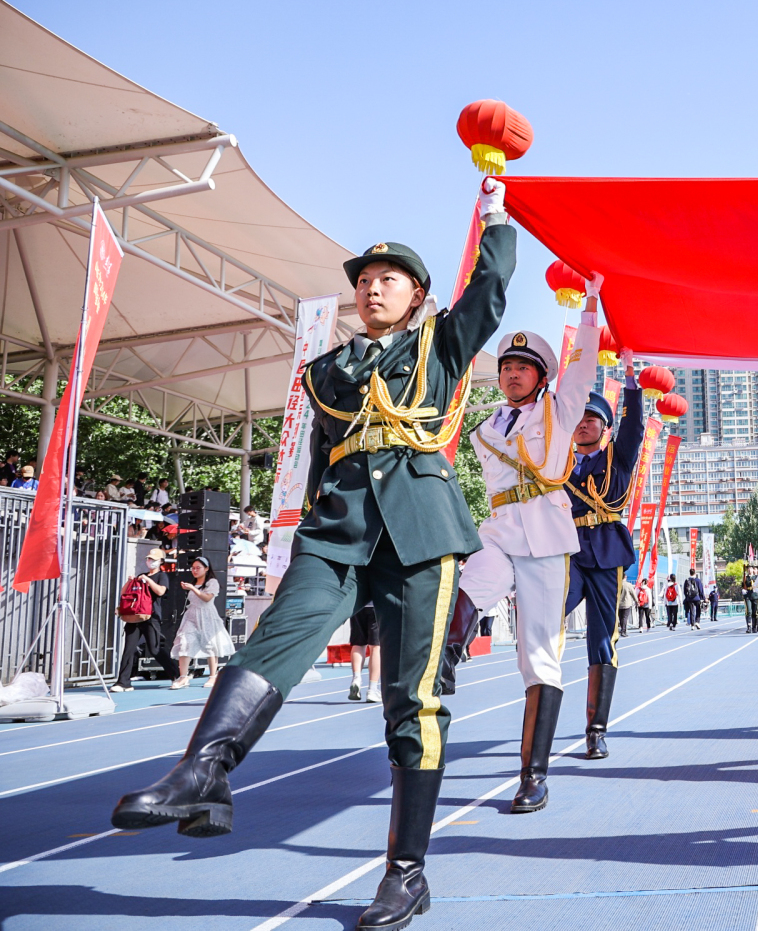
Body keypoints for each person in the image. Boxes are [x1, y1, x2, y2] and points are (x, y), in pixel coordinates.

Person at [113, 178, 516, 931]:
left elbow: (489, 291)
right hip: (337, 532)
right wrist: (295, 539)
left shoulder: (439, 345)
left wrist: (496, 213)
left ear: (418, 296)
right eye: (364, 280)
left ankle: (406, 874)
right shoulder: (326, 371)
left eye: (388, 279)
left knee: (413, 701)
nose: (372, 288)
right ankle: (204, 772)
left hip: (421, 534)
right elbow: (320, 460)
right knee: (270, 643)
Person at [437, 307, 598, 817]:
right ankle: (443, 662)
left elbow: (583, 371)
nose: (511, 374)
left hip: (546, 537)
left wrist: (590, 309)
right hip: (501, 530)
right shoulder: (484, 429)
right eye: (507, 366)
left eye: (522, 367)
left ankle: (534, 776)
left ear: (541, 376)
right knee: (472, 581)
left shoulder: (559, 411)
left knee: (538, 658)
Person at [562, 366, 647, 759]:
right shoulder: (558, 462)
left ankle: (596, 731)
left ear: (605, 427)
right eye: (577, 419)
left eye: (591, 419)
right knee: (545, 614)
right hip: (567, 551)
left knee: (601, 640)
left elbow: (634, 428)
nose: (582, 425)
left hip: (605, 554)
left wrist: (631, 385)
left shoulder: (618, 457)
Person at [111, 547, 180, 690]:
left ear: (161, 561)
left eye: (153, 559)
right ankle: (123, 682)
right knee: (129, 649)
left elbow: (161, 591)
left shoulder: (161, 576)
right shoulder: (141, 575)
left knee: (155, 649)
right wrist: (129, 582)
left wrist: (148, 580)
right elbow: (124, 593)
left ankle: (176, 675)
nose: (150, 561)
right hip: (135, 615)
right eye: (149, 559)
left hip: (151, 616)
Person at [170, 558, 235, 689]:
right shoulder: (194, 583)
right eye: (193, 568)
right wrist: (190, 587)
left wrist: (192, 588)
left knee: (210, 644)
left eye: (198, 568)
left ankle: (212, 676)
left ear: (206, 568)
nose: (194, 570)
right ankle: (183, 677)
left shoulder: (212, 582)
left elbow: (207, 598)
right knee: (184, 642)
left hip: (207, 615)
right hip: (191, 615)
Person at [347, 603, 382, 702]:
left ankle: (356, 679)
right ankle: (372, 690)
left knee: (358, 644)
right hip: (377, 606)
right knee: (375, 647)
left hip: (358, 606)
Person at [741, 565, 758, 632]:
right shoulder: (745, 577)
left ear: (753, 569)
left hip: (755, 595)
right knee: (749, 611)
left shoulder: (756, 577)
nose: (749, 570)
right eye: (748, 568)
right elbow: (743, 585)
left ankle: (754, 626)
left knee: (755, 612)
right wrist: (743, 590)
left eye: (751, 568)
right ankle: (749, 626)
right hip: (748, 595)